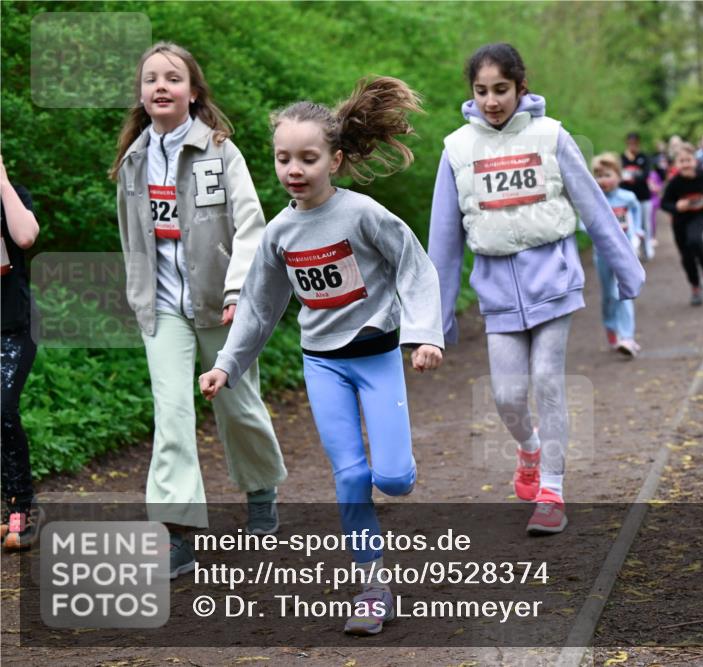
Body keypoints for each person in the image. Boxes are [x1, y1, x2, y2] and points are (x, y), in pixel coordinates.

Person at [200, 76, 444, 636]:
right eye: (283, 158)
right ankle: (373, 588)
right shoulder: (279, 233)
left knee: (394, 479)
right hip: (323, 363)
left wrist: (425, 335)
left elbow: (415, 267)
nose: (294, 169)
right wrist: (225, 365)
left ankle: (399, 468)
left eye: (307, 158)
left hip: (377, 356)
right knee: (350, 475)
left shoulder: (363, 214)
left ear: (334, 160)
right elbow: (259, 308)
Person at [429, 43, 644, 536]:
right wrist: (435, 321)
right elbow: (442, 242)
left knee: (547, 379)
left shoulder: (551, 136)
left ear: (520, 88)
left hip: (554, 280)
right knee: (507, 396)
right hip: (497, 292)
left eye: (501, 89)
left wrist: (626, 271)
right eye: (481, 91)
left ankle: (552, 490)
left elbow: (594, 207)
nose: (491, 101)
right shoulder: (457, 149)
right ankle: (529, 449)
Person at [110, 42, 287, 578]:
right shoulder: (133, 160)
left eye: (172, 78)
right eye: (150, 79)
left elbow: (251, 225)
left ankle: (261, 490)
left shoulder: (220, 151)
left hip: (222, 305)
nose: (160, 86)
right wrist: (138, 293)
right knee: (171, 414)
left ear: (193, 91)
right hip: (163, 307)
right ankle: (177, 532)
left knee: (239, 406)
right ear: (142, 94)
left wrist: (237, 292)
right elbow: (130, 236)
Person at [1, 154, 41, 551]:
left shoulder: (13, 198)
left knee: (3, 410)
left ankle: (22, 508)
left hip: (14, 328)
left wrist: (1, 179)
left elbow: (26, 237)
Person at [591, 152, 641, 358]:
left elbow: (636, 212)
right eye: (598, 176)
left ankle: (627, 337)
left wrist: (638, 231)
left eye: (607, 175)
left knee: (623, 292)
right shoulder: (593, 200)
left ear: (619, 176)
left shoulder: (627, 198)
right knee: (608, 295)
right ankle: (611, 326)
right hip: (603, 254)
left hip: (625, 253)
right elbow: (584, 224)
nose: (603, 180)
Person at [661, 143, 703, 306]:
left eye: (688, 160)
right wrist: (676, 206)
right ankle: (695, 287)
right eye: (682, 161)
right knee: (686, 256)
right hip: (680, 221)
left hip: (700, 215)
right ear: (676, 164)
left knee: (695, 239)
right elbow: (664, 203)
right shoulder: (674, 183)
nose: (686, 164)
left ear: (695, 161)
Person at [620, 131, 654, 260]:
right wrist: (635, 174)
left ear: (638, 143)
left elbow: (645, 175)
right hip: (626, 199)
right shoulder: (621, 158)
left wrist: (628, 175)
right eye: (630, 143)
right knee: (629, 224)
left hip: (643, 197)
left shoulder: (644, 157)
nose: (632, 145)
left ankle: (647, 248)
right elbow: (619, 175)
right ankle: (634, 250)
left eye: (635, 143)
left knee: (645, 224)